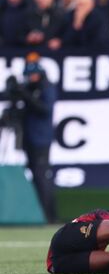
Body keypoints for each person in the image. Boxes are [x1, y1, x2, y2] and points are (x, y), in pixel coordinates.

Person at [19, 53, 58, 223]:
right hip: (29, 138)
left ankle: (49, 215)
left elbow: (44, 109)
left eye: (34, 74)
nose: (31, 77)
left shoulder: (46, 87)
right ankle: (40, 213)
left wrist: (25, 95)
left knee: (42, 176)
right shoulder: (30, 88)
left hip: (41, 139)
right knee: (36, 176)